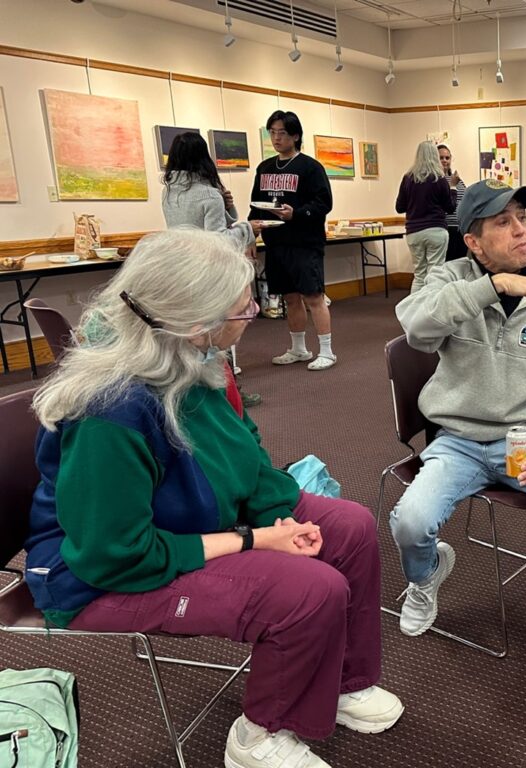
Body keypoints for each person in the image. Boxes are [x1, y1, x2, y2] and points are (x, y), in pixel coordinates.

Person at [24, 229, 404, 768]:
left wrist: (277, 517)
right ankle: (260, 734)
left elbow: (245, 459)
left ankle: (347, 680)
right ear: (195, 321)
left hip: (183, 524)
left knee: (350, 525)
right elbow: (114, 554)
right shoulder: (110, 411)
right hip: (98, 574)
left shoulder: (196, 358)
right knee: (308, 591)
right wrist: (255, 540)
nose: (253, 310)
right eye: (244, 306)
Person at [390, 179, 526, 719]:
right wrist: (498, 287)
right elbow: (415, 327)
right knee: (411, 522)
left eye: (522, 219)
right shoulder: (450, 280)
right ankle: (425, 578)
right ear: (473, 242)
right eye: (503, 222)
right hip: (459, 442)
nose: (520, 230)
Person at [162, 130, 263, 408]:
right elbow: (218, 241)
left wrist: (229, 208)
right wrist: (247, 228)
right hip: (208, 273)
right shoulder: (208, 194)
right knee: (219, 334)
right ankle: (229, 394)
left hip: (182, 268)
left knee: (194, 335)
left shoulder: (169, 193)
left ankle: (202, 390)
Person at [249, 110, 336, 372]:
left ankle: (327, 351)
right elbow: (255, 204)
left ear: (295, 136)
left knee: (313, 297)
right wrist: (250, 234)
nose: (276, 138)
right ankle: (299, 348)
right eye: (272, 132)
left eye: (282, 133)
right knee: (290, 298)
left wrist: (295, 213)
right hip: (276, 241)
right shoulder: (264, 168)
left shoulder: (310, 167)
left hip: (304, 241)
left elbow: (324, 203)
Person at [395, 141, 458, 291]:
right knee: (435, 273)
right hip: (436, 230)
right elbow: (450, 208)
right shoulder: (439, 178)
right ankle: (431, 309)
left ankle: (414, 311)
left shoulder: (408, 178)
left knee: (419, 274)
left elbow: (399, 208)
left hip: (413, 232)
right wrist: (453, 188)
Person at [437, 143, 468, 261]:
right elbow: (444, 203)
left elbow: (465, 199)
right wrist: (451, 186)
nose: (445, 161)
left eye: (447, 158)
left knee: (460, 264)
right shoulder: (435, 180)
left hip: (460, 229)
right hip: (444, 229)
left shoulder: (457, 180)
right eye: (441, 158)